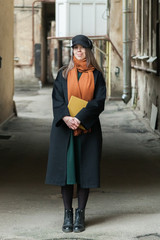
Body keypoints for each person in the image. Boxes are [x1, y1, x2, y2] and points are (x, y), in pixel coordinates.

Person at [45, 34, 106, 233]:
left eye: (82, 48)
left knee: (84, 172)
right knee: (66, 173)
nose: (78, 51)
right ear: (72, 50)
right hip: (65, 130)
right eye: (75, 47)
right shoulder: (63, 74)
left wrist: (80, 118)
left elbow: (99, 102)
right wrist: (66, 118)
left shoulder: (97, 74)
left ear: (88, 50)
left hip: (87, 129)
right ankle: (67, 214)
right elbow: (57, 99)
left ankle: (80, 213)